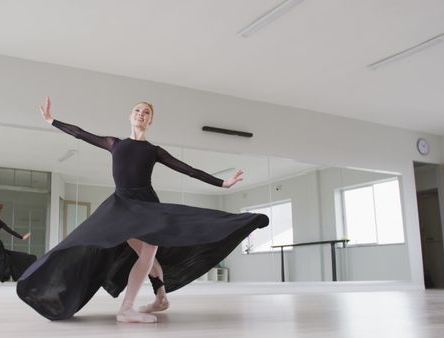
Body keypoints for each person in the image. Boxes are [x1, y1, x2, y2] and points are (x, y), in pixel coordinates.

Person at [16, 97, 269, 323]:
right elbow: (80, 133)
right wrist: (51, 121)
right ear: (130, 116)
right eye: (137, 110)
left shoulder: (153, 151)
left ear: (150, 120)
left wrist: (223, 183)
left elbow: (187, 169)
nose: (141, 114)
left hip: (147, 206)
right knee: (139, 253)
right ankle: (146, 303)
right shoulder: (114, 144)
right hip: (122, 207)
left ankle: (146, 302)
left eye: (146, 112)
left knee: (149, 254)